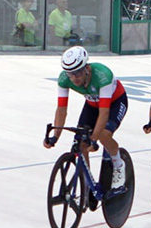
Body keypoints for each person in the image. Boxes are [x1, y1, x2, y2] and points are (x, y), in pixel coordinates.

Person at [45, 46, 128, 191]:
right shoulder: (64, 79)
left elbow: (104, 113)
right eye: (70, 73)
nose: (74, 78)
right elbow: (62, 109)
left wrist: (94, 139)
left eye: (77, 73)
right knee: (81, 142)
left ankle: (119, 165)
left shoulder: (103, 75)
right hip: (91, 104)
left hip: (114, 102)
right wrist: (55, 136)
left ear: (87, 68)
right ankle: (88, 184)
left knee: (104, 135)